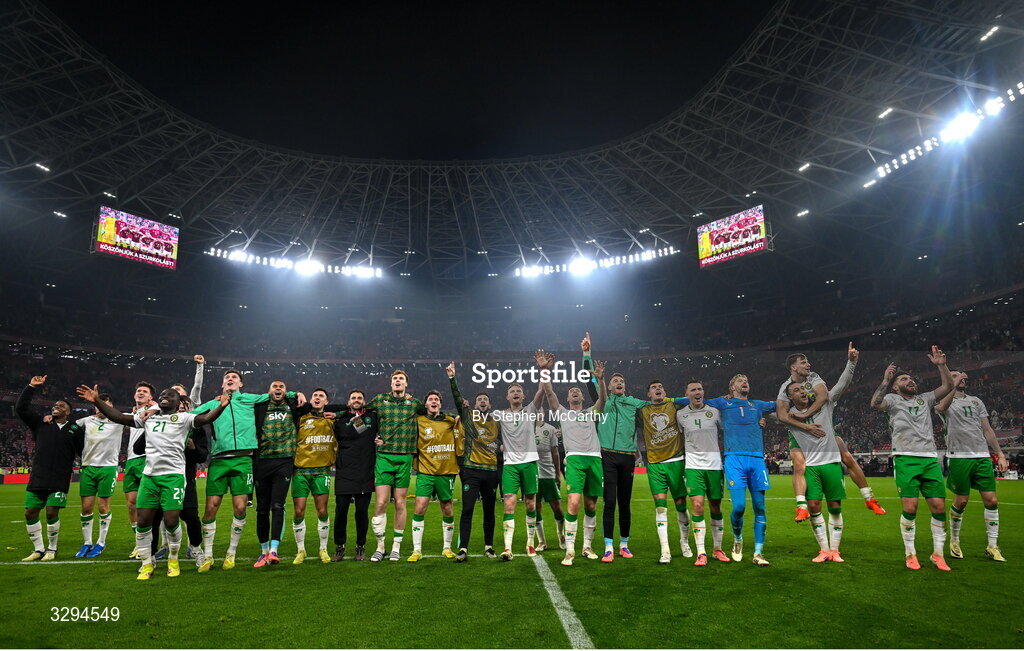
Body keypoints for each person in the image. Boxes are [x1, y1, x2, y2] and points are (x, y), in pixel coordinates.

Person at [78, 384, 228, 580]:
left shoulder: (184, 419)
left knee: (172, 520)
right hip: (149, 477)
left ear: (178, 402)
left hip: (173, 476)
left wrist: (222, 406)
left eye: (171, 395)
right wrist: (97, 401)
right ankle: (147, 563)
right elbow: (119, 417)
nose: (166, 396)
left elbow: (206, 418)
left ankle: (173, 559)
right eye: (164, 394)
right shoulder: (148, 418)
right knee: (143, 521)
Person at [192, 369, 303, 572]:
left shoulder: (251, 399)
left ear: (241, 384)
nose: (231, 379)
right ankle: (207, 555)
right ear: (222, 385)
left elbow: (275, 393)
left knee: (241, 508)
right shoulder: (212, 404)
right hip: (218, 460)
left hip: (244, 459)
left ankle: (230, 554)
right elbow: (188, 417)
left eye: (234, 378)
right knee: (210, 508)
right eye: (227, 378)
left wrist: (295, 394)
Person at [676, 375, 786, 566]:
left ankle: (758, 553)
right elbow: (694, 399)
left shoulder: (757, 405)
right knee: (739, 507)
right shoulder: (720, 404)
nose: (745, 382)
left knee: (760, 507)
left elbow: (780, 404)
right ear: (731, 387)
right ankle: (737, 538)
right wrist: (670, 400)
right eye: (740, 380)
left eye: (747, 380)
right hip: (733, 458)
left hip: (757, 459)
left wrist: (791, 388)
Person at [870, 346, 955, 571]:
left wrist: (941, 365)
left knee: (938, 506)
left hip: (929, 458)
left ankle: (938, 554)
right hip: (905, 458)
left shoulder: (925, 399)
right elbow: (875, 403)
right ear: (897, 386)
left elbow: (948, 386)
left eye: (911, 378)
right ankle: (910, 553)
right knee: (911, 507)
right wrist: (885, 381)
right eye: (904, 379)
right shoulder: (891, 399)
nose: (910, 381)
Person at [776, 349, 884, 521]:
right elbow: (782, 416)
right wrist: (805, 426)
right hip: (799, 430)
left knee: (846, 456)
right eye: (803, 363)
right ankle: (801, 506)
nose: (808, 365)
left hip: (820, 423)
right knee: (799, 465)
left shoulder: (813, 377)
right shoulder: (785, 387)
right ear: (794, 367)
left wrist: (806, 416)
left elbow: (824, 396)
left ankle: (869, 497)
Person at [782, 344, 859, 563]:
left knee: (835, 505)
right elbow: (772, 414)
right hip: (811, 466)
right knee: (814, 506)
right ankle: (823, 549)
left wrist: (851, 363)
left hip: (831, 463)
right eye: (797, 391)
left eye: (805, 390)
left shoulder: (826, 404)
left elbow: (842, 384)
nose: (803, 392)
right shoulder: (790, 417)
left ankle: (835, 550)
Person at [540, 348, 607, 567]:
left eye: (578, 390)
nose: (576, 391)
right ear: (568, 398)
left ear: (581, 396)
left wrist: (601, 380)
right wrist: (544, 371)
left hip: (595, 459)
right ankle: (570, 550)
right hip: (576, 459)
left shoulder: (590, 412)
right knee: (574, 502)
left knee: (590, 505)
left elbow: (603, 400)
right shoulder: (561, 412)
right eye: (572, 391)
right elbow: (549, 392)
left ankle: (587, 546)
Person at [582, 333, 646, 561]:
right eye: (615, 381)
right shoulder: (604, 403)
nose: (619, 383)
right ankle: (608, 546)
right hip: (607, 456)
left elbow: (658, 406)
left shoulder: (635, 403)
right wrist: (587, 354)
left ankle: (624, 545)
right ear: (608, 386)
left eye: (622, 382)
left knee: (625, 503)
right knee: (609, 502)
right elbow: (588, 379)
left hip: (628, 457)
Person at [935, 370, 1008, 562]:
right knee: (961, 501)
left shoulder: (976, 401)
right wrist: (953, 384)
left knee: (992, 501)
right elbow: (941, 408)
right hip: (959, 456)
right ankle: (955, 540)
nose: (961, 377)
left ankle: (992, 545)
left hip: (982, 456)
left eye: (961, 375)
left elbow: (987, 430)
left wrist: (999, 454)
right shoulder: (943, 400)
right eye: (954, 375)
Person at [17, 375, 84, 561]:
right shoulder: (41, 423)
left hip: (59, 479)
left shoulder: (75, 429)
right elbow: (21, 408)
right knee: (30, 512)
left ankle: (52, 549)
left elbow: (82, 452)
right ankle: (38, 549)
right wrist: (31, 386)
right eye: (55, 405)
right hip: (38, 477)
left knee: (51, 511)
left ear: (69, 412)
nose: (56, 406)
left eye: (61, 405)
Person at [490, 352, 548, 560]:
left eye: (519, 391)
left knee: (531, 504)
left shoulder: (531, 410)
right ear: (507, 397)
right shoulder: (500, 414)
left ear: (523, 397)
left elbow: (542, 390)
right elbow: (482, 423)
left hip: (530, 463)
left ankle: (530, 543)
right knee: (509, 504)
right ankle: (507, 547)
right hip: (510, 466)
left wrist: (543, 370)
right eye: (512, 391)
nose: (515, 393)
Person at [367, 370, 426, 562]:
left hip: (404, 457)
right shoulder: (379, 400)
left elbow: (432, 416)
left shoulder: (415, 404)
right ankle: (380, 546)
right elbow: (360, 415)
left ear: (406, 384)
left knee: (400, 502)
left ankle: (396, 548)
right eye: (395, 379)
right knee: (382, 502)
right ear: (391, 384)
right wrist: (371, 437)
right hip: (384, 456)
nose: (398, 381)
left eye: (401, 379)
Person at [408, 374, 464, 562]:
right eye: (430, 399)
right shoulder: (418, 421)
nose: (434, 401)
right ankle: (417, 550)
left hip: (446, 472)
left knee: (447, 508)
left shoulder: (450, 420)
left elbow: (460, 419)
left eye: (436, 400)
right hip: (425, 471)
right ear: (425, 404)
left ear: (440, 404)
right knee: (420, 507)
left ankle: (447, 548)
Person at [448, 367, 501, 562]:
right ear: (475, 404)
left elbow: (505, 442)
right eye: (479, 400)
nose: (482, 401)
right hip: (471, 469)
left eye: (485, 399)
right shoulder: (468, 417)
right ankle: (463, 548)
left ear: (490, 404)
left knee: (489, 510)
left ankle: (489, 547)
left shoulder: (497, 422)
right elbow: (456, 398)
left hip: (492, 471)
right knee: (468, 509)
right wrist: (452, 378)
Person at [676, 380, 730, 565]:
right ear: (687, 394)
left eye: (700, 389)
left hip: (715, 466)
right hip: (693, 466)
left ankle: (717, 549)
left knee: (715, 506)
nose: (697, 392)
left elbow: (729, 429)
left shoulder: (715, 412)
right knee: (697, 505)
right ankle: (701, 552)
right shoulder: (680, 415)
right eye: (693, 390)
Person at [637, 380, 691, 564]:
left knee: (681, 504)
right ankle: (665, 550)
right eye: (653, 387)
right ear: (648, 395)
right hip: (655, 464)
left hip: (676, 461)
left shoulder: (673, 404)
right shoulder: (643, 410)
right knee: (660, 507)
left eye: (660, 386)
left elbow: (691, 398)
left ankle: (684, 542)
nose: (658, 388)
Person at [252, 380, 303, 567]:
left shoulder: (293, 405)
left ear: (286, 391)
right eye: (275, 386)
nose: (278, 389)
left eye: (282, 387)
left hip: (284, 461)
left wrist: (297, 394)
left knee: (277, 505)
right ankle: (263, 551)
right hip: (262, 460)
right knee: (261, 509)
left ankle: (273, 550)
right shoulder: (260, 406)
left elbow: (318, 406)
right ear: (268, 391)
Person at [328, 390, 378, 562]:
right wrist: (344, 411)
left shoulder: (373, 416)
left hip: (365, 472)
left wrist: (356, 417)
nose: (356, 400)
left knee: (361, 512)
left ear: (365, 401)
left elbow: (363, 433)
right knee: (341, 512)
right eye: (353, 398)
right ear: (348, 401)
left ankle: (360, 546)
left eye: (359, 398)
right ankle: (339, 546)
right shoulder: (339, 419)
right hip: (344, 472)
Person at [291, 389, 338, 564]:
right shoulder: (301, 418)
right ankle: (300, 550)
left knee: (322, 510)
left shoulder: (332, 420)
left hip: (322, 471)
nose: (317, 398)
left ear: (326, 401)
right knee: (298, 511)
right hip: (301, 470)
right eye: (315, 395)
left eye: (321, 396)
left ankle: (323, 548)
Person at [74, 392, 122, 558]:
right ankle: (87, 543)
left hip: (107, 468)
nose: (100, 408)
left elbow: (139, 418)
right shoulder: (87, 421)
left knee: (103, 507)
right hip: (88, 468)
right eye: (98, 404)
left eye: (104, 404)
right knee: (86, 508)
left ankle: (101, 542)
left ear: (111, 407)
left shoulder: (119, 420)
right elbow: (69, 427)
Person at [125, 381, 156, 559]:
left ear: (151, 397)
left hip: (147, 459)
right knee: (131, 504)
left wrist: (155, 407)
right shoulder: (130, 414)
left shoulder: (156, 410)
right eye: (138, 391)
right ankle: (139, 542)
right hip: (130, 461)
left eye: (145, 391)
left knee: (147, 504)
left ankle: (150, 542)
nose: (141, 393)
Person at [533, 412, 564, 552]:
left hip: (548, 473)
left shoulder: (550, 429)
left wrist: (558, 473)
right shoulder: (526, 428)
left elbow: (555, 452)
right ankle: (541, 541)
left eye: (540, 410)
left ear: (543, 413)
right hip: (532, 474)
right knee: (535, 507)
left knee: (556, 507)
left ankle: (561, 535)